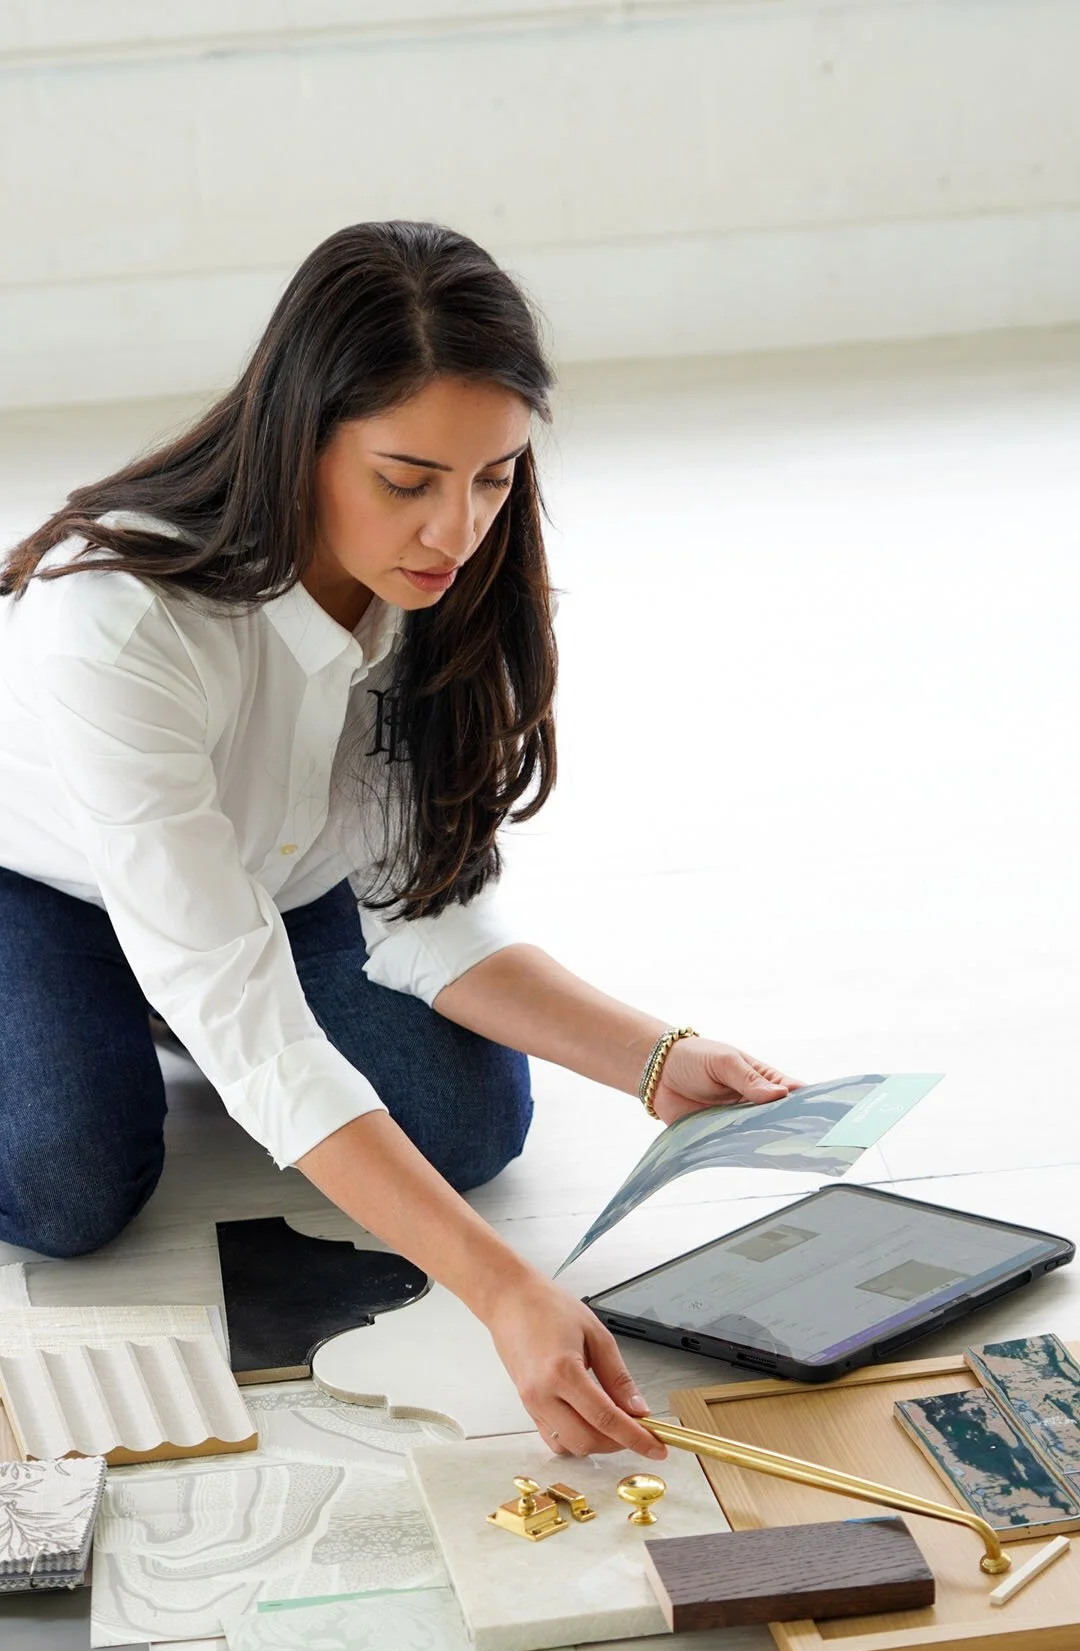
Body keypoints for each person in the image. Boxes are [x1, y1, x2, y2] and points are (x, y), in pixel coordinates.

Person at [0, 221, 800, 1463]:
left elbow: (420, 911)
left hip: (264, 882)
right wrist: (504, 1291)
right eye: (409, 478)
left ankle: (159, 1011)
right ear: (301, 435)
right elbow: (244, 1007)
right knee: (68, 1182)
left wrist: (658, 1058)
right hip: (34, 882)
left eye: (493, 478)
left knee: (467, 1129)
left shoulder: (432, 585)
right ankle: (123, 1009)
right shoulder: (114, 619)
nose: (457, 530)